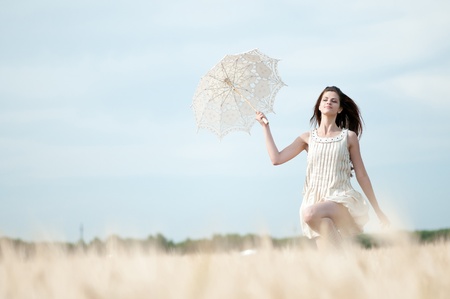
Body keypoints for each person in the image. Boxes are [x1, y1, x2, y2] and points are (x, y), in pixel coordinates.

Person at [256, 86, 389, 250]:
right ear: (319, 106)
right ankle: (351, 262)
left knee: (309, 214)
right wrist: (265, 127)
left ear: (340, 109)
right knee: (330, 260)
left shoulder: (348, 137)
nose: (329, 102)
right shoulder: (307, 138)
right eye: (325, 100)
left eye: (334, 101)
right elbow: (276, 159)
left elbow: (361, 175)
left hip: (340, 199)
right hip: (315, 201)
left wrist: (378, 210)